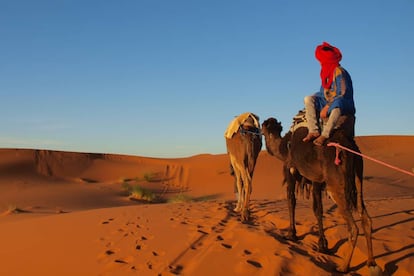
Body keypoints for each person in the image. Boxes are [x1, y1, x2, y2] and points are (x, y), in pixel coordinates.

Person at [302, 42, 355, 146]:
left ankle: (325, 135)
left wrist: (327, 106)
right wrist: (315, 97)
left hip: (342, 102)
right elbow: (324, 93)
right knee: (308, 98)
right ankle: (313, 130)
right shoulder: (326, 73)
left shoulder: (339, 72)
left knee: (337, 105)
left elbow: (343, 93)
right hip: (329, 101)